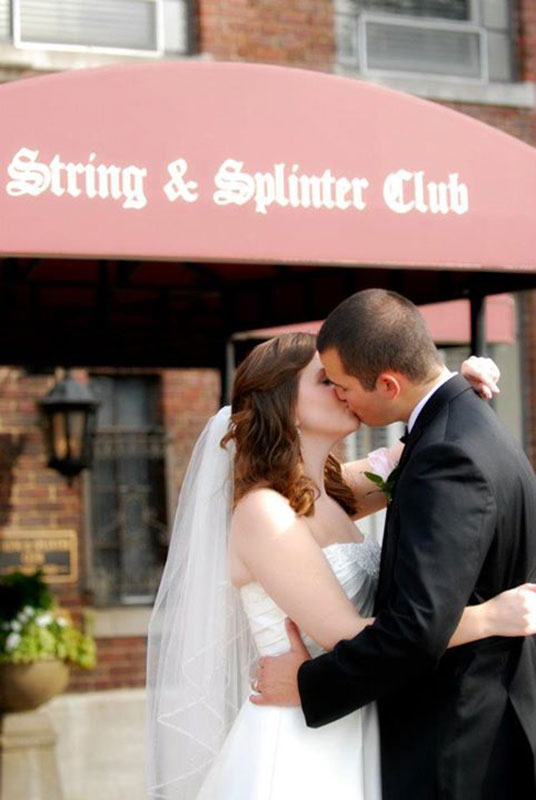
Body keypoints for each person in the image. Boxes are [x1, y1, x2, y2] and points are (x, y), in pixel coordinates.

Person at [146, 330, 536, 800]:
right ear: (285, 404)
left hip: (356, 714)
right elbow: (345, 635)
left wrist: (454, 385)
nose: (343, 386)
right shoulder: (263, 512)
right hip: (300, 737)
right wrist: (487, 618)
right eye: (326, 379)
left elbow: (429, 433)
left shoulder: (331, 494)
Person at [253, 291, 536, 799]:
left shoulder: (446, 454)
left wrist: (308, 684)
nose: (341, 396)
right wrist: (453, 391)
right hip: (406, 728)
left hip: (455, 739)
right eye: (327, 384)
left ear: (387, 384)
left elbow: (416, 629)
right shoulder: (450, 437)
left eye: (340, 384)